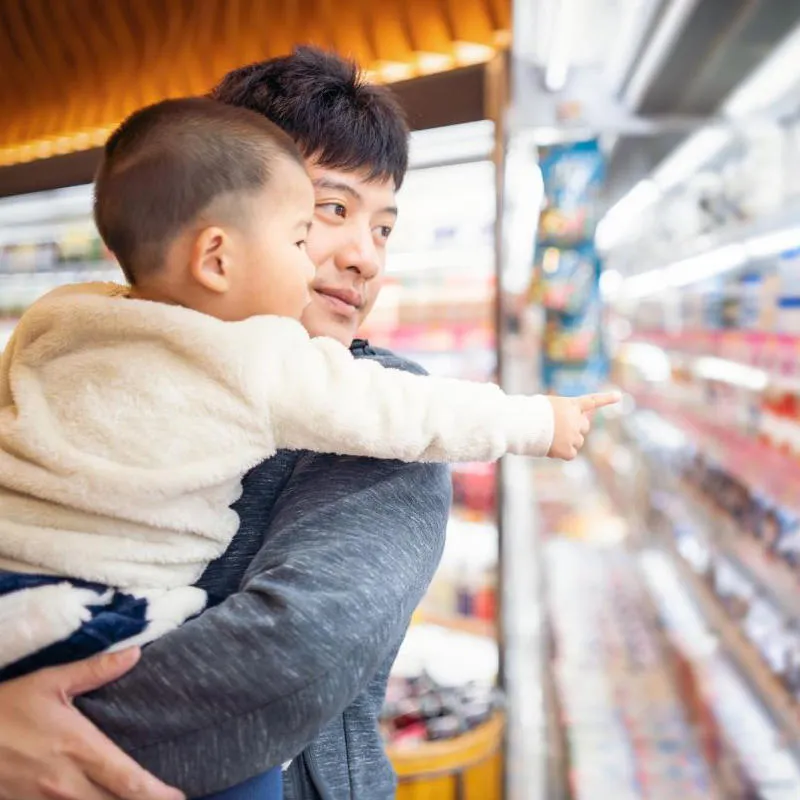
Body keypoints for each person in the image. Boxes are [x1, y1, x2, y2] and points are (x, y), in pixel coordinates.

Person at [0, 48, 614, 800]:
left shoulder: (380, 407)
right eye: (328, 211)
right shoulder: (102, 349)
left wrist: (34, 737)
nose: (363, 258)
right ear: (217, 225)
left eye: (385, 228)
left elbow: (298, 649)